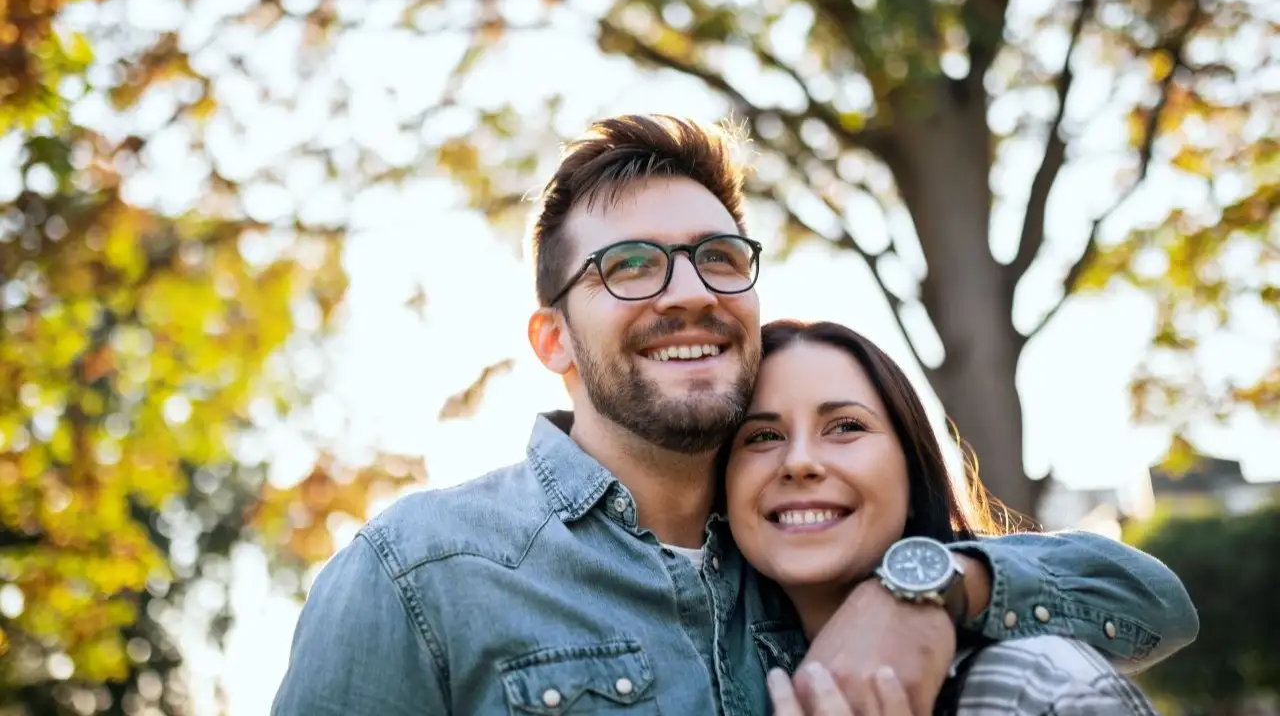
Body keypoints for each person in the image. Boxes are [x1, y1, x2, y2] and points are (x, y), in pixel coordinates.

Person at [270, 114, 1197, 715]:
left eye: (717, 256)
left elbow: (1151, 603)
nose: (689, 293)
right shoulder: (419, 573)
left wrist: (927, 587)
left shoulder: (804, 553)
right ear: (551, 340)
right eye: (630, 266)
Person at [724, 320, 1160, 715]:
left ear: (914, 476)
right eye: (763, 435)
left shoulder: (1032, 684)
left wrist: (919, 589)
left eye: (845, 427)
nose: (799, 462)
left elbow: (1157, 596)